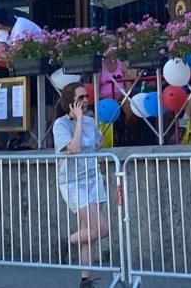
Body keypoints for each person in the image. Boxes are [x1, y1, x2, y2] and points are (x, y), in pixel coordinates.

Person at [53, 82, 110, 288]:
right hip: (72, 181)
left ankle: (85, 278)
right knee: (102, 228)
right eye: (81, 97)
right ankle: (67, 241)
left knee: (90, 232)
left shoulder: (89, 121)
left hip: (93, 177)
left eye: (87, 97)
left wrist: (96, 137)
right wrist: (77, 122)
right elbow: (74, 148)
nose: (86, 100)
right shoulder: (60, 124)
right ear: (71, 101)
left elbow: (97, 142)